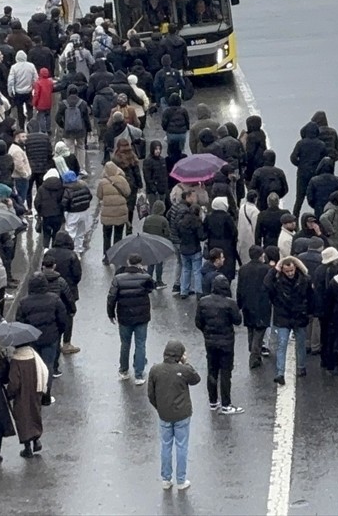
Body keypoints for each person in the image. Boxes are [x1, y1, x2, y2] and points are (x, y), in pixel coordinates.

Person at [147, 340, 201, 491]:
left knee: (166, 445)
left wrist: (160, 408)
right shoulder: (183, 370)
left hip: (164, 414)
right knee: (181, 446)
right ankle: (181, 480)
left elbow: (151, 394)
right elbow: (196, 379)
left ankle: (166, 479)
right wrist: (186, 364)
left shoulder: (155, 370)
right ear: (179, 355)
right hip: (182, 414)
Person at [15, 272, 68, 404]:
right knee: (48, 366)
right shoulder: (54, 299)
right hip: (50, 338)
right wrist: (58, 333)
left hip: (32, 339)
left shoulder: (24, 302)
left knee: (34, 366)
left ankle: (34, 393)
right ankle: (46, 395)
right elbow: (62, 319)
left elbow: (20, 322)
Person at [196, 275, 244, 414]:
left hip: (210, 341)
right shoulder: (230, 303)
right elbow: (237, 321)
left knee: (212, 371)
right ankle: (226, 404)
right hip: (226, 341)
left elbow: (198, 322)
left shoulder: (203, 301)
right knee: (225, 373)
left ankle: (213, 401)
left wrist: (206, 332)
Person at [108, 255, 156, 384]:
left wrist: (111, 313)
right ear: (140, 264)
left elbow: (111, 297)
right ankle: (139, 375)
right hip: (142, 316)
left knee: (125, 344)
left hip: (124, 316)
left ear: (128, 262)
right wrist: (144, 272)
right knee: (140, 344)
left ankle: (123, 370)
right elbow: (152, 287)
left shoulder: (118, 278)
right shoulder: (145, 277)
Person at [268, 255, 310, 385]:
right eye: (287, 271)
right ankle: (281, 373)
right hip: (287, 316)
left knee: (299, 344)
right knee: (282, 345)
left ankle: (301, 367)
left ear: (295, 268)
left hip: (292, 316)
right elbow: (266, 284)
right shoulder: (279, 281)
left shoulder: (304, 280)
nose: (290, 273)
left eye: (292, 270)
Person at [8, 342, 48, 458]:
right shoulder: (34, 356)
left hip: (22, 395)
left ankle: (27, 448)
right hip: (35, 391)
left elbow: (14, 383)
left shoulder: (16, 361)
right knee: (35, 414)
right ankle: (36, 440)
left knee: (23, 418)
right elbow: (44, 370)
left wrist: (9, 393)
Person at [236, 245, 272, 369]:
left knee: (251, 328)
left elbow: (239, 288)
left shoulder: (243, 269)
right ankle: (254, 354)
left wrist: (239, 304)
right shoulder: (266, 269)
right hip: (262, 303)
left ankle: (252, 349)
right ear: (261, 255)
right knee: (260, 329)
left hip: (247, 303)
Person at [290, 121, 328, 217]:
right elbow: (325, 160)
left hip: (302, 173)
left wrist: (300, 164)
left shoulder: (300, 143)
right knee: (316, 198)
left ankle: (295, 218)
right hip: (316, 175)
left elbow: (293, 157)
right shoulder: (321, 144)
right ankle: (318, 220)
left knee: (299, 198)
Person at [97, 160, 133, 262]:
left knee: (106, 236)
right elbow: (128, 192)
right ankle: (117, 255)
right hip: (120, 213)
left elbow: (99, 196)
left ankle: (107, 257)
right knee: (118, 234)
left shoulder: (102, 182)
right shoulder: (122, 179)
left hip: (107, 214)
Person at [175, 203, 207, 299]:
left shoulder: (181, 222)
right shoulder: (197, 222)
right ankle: (199, 291)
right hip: (195, 249)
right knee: (197, 271)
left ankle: (184, 291)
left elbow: (178, 234)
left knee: (186, 270)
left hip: (184, 249)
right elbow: (201, 237)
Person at [204, 196, 239, 279]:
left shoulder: (209, 217)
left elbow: (204, 230)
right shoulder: (227, 217)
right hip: (227, 245)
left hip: (212, 244)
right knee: (226, 264)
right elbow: (234, 232)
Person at [60, 170, 94, 254]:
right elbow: (90, 197)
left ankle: (70, 250)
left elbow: (64, 203)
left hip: (72, 213)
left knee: (70, 232)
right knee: (80, 232)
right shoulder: (84, 186)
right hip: (84, 212)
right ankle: (79, 249)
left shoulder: (67, 190)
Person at [56, 85, 91, 165]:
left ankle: (71, 166)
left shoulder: (63, 104)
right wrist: (88, 129)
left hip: (68, 131)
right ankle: (81, 167)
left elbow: (57, 118)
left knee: (69, 149)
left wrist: (64, 125)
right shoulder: (83, 103)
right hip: (81, 130)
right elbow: (86, 118)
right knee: (81, 147)